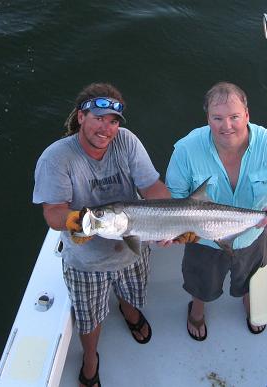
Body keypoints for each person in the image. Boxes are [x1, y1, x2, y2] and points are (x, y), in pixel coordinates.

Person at [33, 83, 195, 387]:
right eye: (99, 118)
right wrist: (79, 221)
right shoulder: (56, 158)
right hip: (85, 260)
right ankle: (91, 357)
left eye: (113, 121)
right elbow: (53, 213)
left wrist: (178, 221)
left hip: (131, 245)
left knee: (133, 295)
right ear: (81, 117)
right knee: (89, 319)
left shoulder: (127, 142)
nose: (106, 128)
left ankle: (130, 314)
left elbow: (152, 188)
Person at [165, 81, 267, 341]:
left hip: (255, 236)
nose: (226, 125)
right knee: (202, 284)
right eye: (217, 118)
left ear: (247, 115)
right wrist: (175, 231)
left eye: (234, 117)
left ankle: (250, 303)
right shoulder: (186, 149)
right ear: (207, 118)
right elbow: (175, 200)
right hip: (203, 240)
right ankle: (197, 310)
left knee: (254, 281)